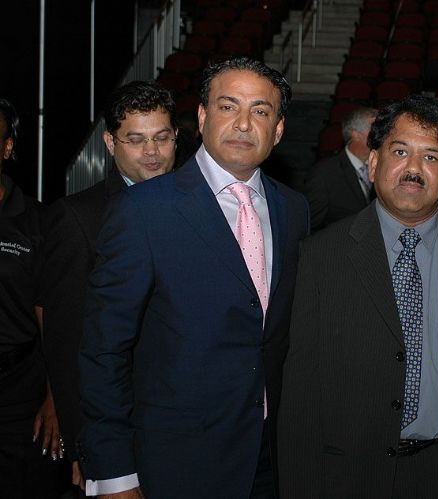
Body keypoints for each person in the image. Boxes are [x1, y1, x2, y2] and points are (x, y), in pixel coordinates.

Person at [77, 57, 309, 498]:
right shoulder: (144, 210)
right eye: (228, 106)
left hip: (270, 459)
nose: (243, 123)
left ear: (278, 130)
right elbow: (104, 350)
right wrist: (114, 474)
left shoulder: (293, 209)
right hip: (174, 463)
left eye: (260, 111)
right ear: (202, 118)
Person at [278, 94, 438, 498]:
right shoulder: (320, 256)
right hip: (348, 478)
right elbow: (301, 392)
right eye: (401, 151)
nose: (413, 168)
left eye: (431, 157)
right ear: (373, 163)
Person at [39, 80, 178, 492]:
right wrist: (88, 448)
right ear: (109, 142)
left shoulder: (202, 207)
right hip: (121, 428)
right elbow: (68, 345)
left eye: (162, 138)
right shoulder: (78, 218)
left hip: (187, 424)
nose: (152, 152)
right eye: (135, 140)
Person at [0, 98, 62, 497]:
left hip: (18, 394)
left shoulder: (37, 221)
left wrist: (56, 398)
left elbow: (54, 318)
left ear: (7, 146)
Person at [305, 106, 377, 230]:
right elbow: (310, 226)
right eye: (375, 131)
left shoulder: (383, 168)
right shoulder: (325, 175)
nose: (381, 136)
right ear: (356, 135)